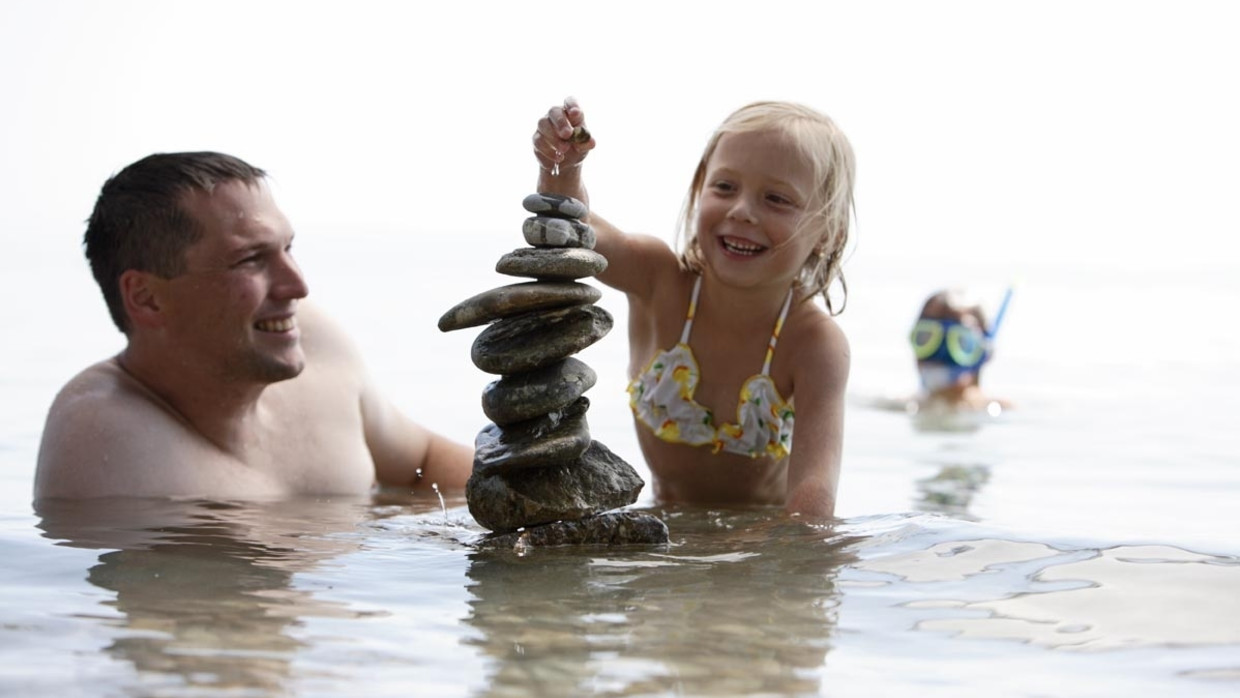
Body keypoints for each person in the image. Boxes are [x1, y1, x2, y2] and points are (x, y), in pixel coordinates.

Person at [34, 152, 473, 500]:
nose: (297, 286)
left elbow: (422, 465)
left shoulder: (313, 339)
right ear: (146, 297)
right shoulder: (105, 439)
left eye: (287, 248)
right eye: (250, 259)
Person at [532, 97, 856, 518]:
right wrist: (563, 166)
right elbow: (577, 229)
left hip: (756, 538)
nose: (741, 211)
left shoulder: (814, 344)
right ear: (699, 189)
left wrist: (791, 552)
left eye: (776, 198)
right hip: (664, 526)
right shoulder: (658, 281)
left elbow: (813, 494)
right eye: (724, 187)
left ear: (829, 232)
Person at [908, 287, 1012, 415]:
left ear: (985, 354)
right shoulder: (899, 407)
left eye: (962, 342)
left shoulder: (1000, 411)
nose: (941, 355)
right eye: (925, 338)